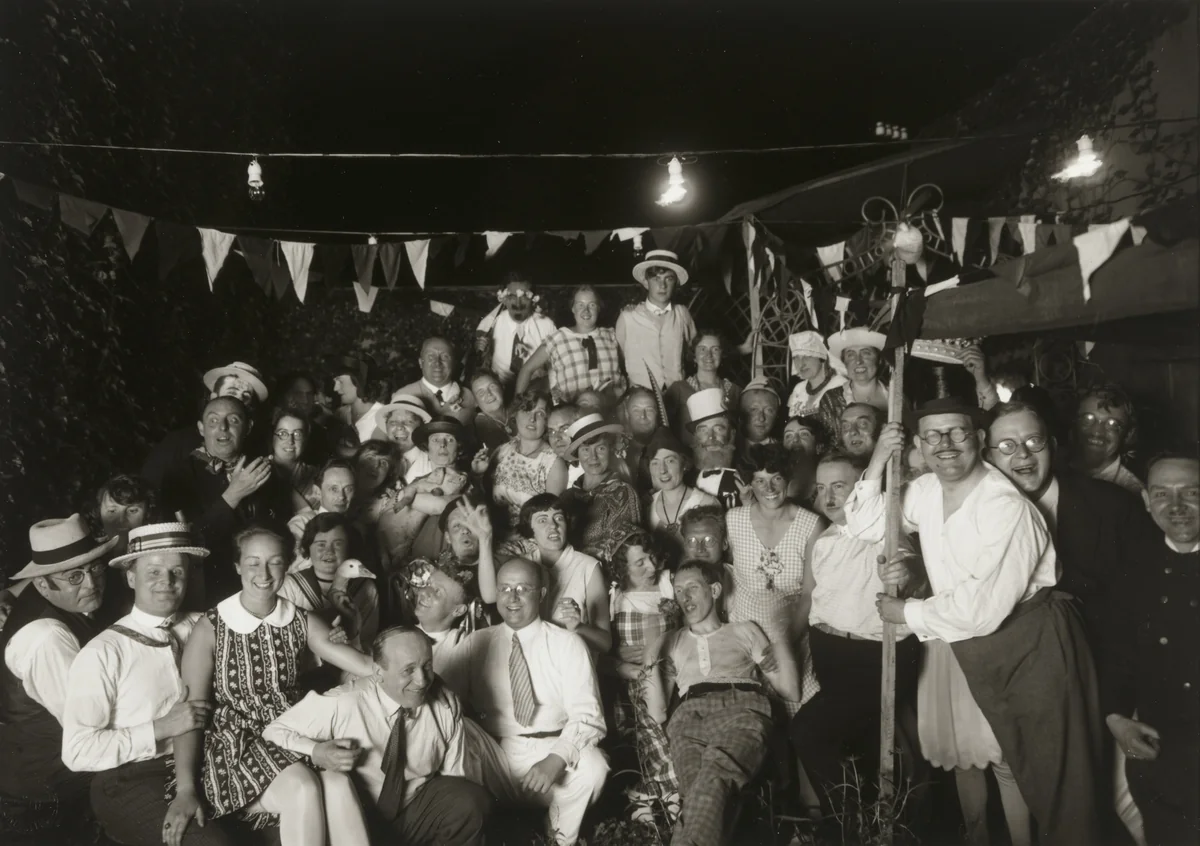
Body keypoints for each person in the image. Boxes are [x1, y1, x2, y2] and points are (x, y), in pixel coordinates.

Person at [848, 396, 1104, 845]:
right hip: (983, 649)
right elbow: (865, 525)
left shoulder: (1004, 505)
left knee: (1061, 787)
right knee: (1028, 772)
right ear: (919, 446)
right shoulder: (927, 491)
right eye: (932, 436)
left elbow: (982, 608)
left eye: (957, 432)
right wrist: (878, 460)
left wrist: (906, 612)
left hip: (1034, 643)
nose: (945, 444)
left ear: (979, 438)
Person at [987, 400, 1156, 843]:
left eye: (1033, 441)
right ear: (988, 457)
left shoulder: (1112, 506)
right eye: (1007, 446)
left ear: (1055, 446)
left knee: (1133, 806)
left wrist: (1116, 707)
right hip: (1035, 691)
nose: (1023, 455)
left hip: (1111, 685)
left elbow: (1140, 612)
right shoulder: (981, 517)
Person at [170, 523, 373, 844]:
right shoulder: (211, 626)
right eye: (253, 563)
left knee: (339, 784)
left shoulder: (301, 619)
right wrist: (185, 789)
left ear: (287, 565)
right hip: (236, 747)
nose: (263, 574)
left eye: (275, 562)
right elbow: (190, 712)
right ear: (237, 566)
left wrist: (410, 665)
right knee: (302, 786)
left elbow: (365, 667)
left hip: (292, 734)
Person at [60, 522, 231, 846]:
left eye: (177, 572)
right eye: (153, 572)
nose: (167, 582)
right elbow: (77, 751)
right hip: (131, 778)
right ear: (130, 577)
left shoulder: (204, 625)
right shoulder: (104, 652)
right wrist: (160, 728)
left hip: (204, 761)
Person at [264, 627, 493, 845]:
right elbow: (274, 731)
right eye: (408, 670)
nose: (422, 680)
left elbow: (454, 780)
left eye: (427, 666)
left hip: (411, 813)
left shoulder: (444, 707)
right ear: (378, 672)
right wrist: (315, 751)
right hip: (349, 820)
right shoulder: (344, 702)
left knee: (469, 800)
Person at [789, 454, 922, 820]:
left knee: (808, 731)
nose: (828, 498)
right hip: (831, 653)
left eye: (839, 487)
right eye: (821, 488)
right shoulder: (824, 540)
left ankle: (845, 825)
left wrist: (904, 574)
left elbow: (908, 569)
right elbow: (814, 597)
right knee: (858, 743)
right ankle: (865, 824)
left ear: (863, 490)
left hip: (874, 656)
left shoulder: (886, 532)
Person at [643, 559, 800, 846]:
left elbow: (790, 691)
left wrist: (782, 637)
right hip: (688, 720)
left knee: (713, 778)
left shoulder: (744, 630)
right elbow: (657, 713)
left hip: (741, 709)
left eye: (692, 587)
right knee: (697, 795)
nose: (684, 597)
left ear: (714, 590)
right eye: (678, 591)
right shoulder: (673, 641)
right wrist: (653, 651)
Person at [455, 558, 608, 846]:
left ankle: (559, 837)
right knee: (452, 727)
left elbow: (588, 715)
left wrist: (556, 759)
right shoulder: (476, 643)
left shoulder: (567, 643)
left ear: (542, 594)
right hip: (495, 756)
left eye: (523, 589)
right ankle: (480, 832)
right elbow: (442, 698)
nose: (512, 597)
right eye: (505, 588)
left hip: (551, 752)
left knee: (594, 766)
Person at [1102, 453, 1199, 846]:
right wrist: (1116, 718)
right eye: (1162, 494)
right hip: (1161, 751)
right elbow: (1115, 655)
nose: (1176, 506)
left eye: (1191, 493)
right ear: (1146, 501)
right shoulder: (1131, 569)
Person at [0, 516, 120, 812]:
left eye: (95, 568)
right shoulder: (47, 638)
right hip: (45, 785)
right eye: (75, 576)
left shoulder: (61, 597)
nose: (91, 584)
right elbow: (92, 728)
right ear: (42, 584)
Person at [160, 396, 293, 603]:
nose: (223, 427)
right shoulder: (178, 476)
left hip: (262, 586)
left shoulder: (264, 471)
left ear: (248, 427)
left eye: (233, 420)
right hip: (206, 591)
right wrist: (233, 495)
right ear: (201, 428)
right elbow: (189, 543)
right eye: (213, 421)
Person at [725, 442, 822, 713]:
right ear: (750, 484)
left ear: (788, 479)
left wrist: (783, 644)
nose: (769, 488)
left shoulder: (811, 525)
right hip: (743, 635)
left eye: (776, 478)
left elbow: (809, 594)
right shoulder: (733, 520)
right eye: (760, 480)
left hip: (789, 633)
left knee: (797, 709)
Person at [606, 529, 680, 824]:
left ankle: (660, 793)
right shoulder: (615, 596)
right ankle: (653, 793)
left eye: (652, 558)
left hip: (667, 674)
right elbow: (604, 650)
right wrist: (619, 657)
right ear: (622, 568)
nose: (651, 566)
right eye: (640, 563)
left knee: (657, 718)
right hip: (628, 679)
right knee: (637, 727)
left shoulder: (667, 583)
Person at [141, 362, 271, 494]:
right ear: (213, 397)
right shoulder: (178, 443)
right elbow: (145, 491)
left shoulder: (255, 450)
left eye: (246, 397)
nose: (238, 401)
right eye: (231, 393)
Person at [281, 513, 381, 678]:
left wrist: (352, 634)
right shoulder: (290, 586)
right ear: (307, 548)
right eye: (321, 544)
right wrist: (324, 640)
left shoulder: (366, 588)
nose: (329, 551)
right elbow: (279, 646)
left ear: (349, 548)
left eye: (338, 544)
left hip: (353, 674)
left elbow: (370, 643)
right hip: (303, 674)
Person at [517, 494, 611, 654]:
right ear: (530, 531)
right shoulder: (522, 565)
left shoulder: (588, 567)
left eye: (559, 518)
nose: (553, 525)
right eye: (542, 520)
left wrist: (578, 627)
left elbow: (605, 643)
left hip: (572, 660)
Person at [516, 284, 624, 405]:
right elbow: (527, 369)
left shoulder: (611, 335)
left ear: (599, 308)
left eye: (592, 305)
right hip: (573, 411)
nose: (586, 310)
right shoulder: (558, 338)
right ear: (573, 308)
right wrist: (518, 405)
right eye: (580, 305)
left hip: (611, 409)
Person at [558, 413, 640, 568]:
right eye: (586, 450)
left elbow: (621, 549)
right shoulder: (567, 497)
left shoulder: (621, 493)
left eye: (600, 448)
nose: (593, 457)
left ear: (610, 449)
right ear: (577, 455)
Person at [616, 249, 696, 391]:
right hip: (641, 395)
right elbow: (620, 358)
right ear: (646, 283)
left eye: (668, 278)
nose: (662, 285)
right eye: (656, 279)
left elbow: (694, 350)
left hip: (676, 393)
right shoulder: (628, 317)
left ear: (676, 282)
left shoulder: (682, 313)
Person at [489, 388, 568, 529]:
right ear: (515, 414)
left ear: (547, 421)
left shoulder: (554, 464)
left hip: (529, 536)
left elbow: (550, 520)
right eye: (526, 410)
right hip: (493, 530)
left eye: (540, 413)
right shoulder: (502, 451)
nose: (532, 419)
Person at [643, 427, 718, 557]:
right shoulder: (647, 505)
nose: (662, 470)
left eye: (670, 461)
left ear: (684, 464)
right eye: (655, 463)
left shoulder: (706, 503)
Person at [476, 273, 558, 388]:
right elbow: (479, 359)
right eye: (511, 296)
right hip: (500, 387)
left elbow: (556, 365)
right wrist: (481, 349)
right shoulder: (492, 322)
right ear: (504, 299)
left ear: (533, 299)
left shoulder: (546, 325)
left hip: (535, 388)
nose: (518, 303)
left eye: (524, 296)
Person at [1069, 384, 1145, 496]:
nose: (1097, 432)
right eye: (1088, 418)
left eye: (1112, 424)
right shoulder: (1057, 469)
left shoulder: (1131, 492)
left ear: (1128, 435)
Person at [665, 330, 741, 441]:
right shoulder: (678, 389)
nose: (708, 355)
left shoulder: (734, 390)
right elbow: (664, 429)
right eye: (702, 349)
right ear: (694, 356)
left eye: (715, 349)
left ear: (722, 355)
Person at [818, 328, 889, 441]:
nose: (858, 361)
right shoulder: (830, 399)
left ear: (879, 360)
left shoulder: (896, 396)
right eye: (850, 355)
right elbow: (826, 445)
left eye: (866, 353)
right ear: (845, 363)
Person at [393, 336, 478, 425]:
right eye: (431, 357)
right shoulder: (404, 395)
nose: (437, 363)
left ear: (454, 363)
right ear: (421, 362)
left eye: (445, 357)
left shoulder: (469, 396)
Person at [687, 388, 744, 511]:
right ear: (695, 437)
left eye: (718, 429)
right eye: (703, 430)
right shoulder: (686, 478)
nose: (711, 437)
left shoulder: (744, 475)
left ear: (731, 433)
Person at [288, 459, 357, 551]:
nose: (341, 496)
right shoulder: (301, 524)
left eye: (348, 489)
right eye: (334, 489)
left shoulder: (357, 528)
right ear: (317, 492)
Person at [374, 394, 434, 483]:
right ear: (386, 427)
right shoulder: (375, 461)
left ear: (422, 427)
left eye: (409, 422)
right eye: (393, 422)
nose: (400, 427)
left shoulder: (434, 462)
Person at [785, 330, 845, 419]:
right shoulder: (799, 389)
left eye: (807, 356)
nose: (801, 364)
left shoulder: (839, 385)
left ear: (822, 358)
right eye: (796, 357)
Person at [271, 408, 320, 511]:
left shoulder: (317, 477)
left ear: (305, 440)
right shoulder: (254, 469)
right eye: (283, 433)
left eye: (297, 434)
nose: (290, 441)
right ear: (273, 437)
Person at [330, 354, 386, 444]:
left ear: (359, 383)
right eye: (335, 382)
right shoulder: (342, 413)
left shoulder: (382, 417)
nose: (335, 388)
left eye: (340, 382)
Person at [620, 386, 661, 491]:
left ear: (657, 414)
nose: (643, 416)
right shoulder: (619, 452)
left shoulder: (667, 450)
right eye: (636, 410)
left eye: (649, 410)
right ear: (627, 414)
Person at [782, 416, 828, 504]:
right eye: (788, 436)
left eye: (804, 434)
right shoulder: (777, 482)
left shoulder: (826, 482)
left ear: (819, 446)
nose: (795, 440)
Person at [737, 376, 782, 461]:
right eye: (754, 409)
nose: (761, 418)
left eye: (769, 411)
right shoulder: (731, 449)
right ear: (741, 413)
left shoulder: (782, 450)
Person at [470, 370, 511, 451]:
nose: (489, 393)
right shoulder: (481, 423)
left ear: (502, 387)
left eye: (492, 386)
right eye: (481, 392)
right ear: (475, 402)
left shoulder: (515, 409)